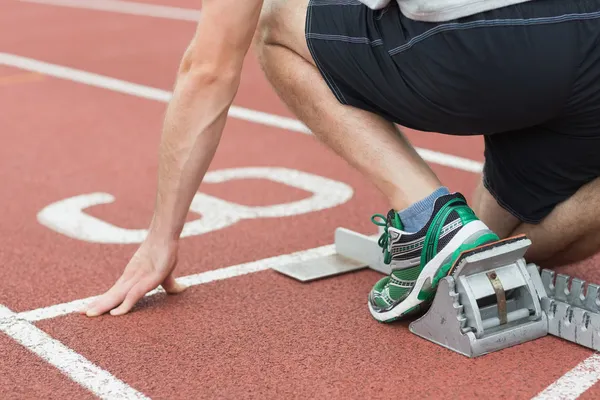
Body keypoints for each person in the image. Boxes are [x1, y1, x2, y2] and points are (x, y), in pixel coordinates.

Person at [82, 0, 600, 322]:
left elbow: (208, 68)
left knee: (273, 23)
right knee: (489, 242)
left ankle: (427, 215)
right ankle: (457, 237)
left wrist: (160, 240)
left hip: (479, 44)